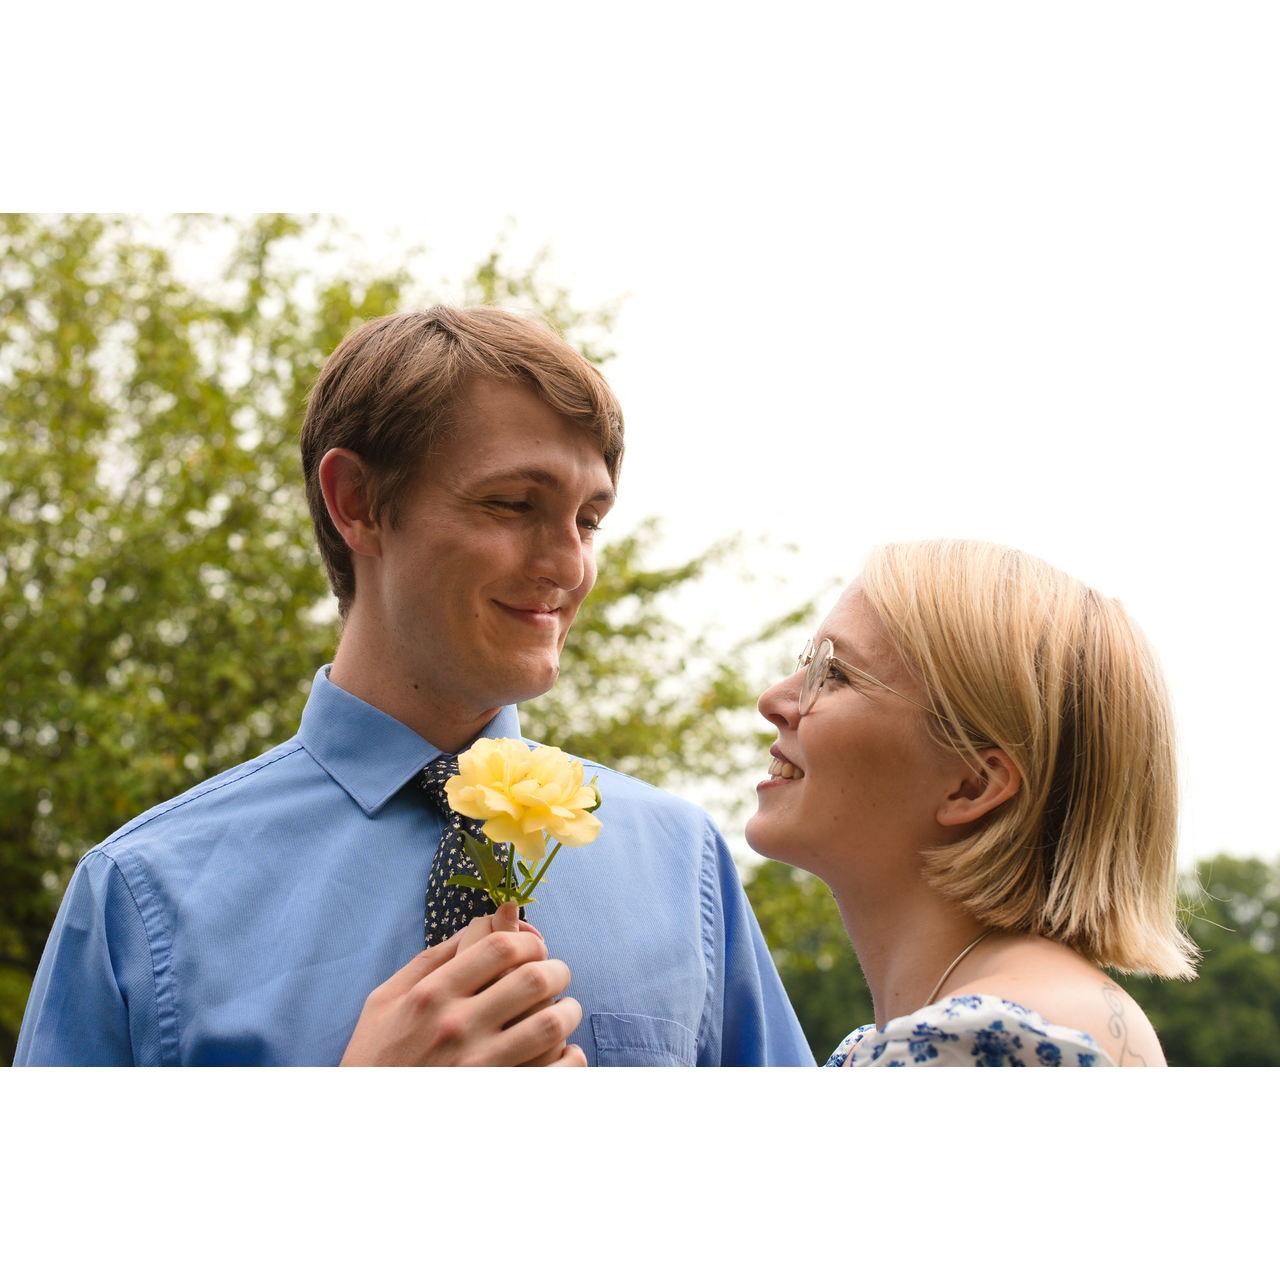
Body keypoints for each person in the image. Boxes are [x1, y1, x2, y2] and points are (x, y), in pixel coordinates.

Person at [16, 306, 812, 1067]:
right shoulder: (139, 896)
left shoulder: (685, 863)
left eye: (589, 519)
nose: (569, 567)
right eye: (513, 504)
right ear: (356, 503)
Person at [746, 539, 1195, 1067]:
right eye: (808, 664)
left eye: (836, 674)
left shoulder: (987, 1036)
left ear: (973, 785)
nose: (774, 700)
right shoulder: (1013, 1021)